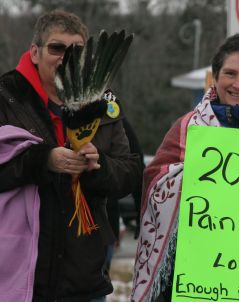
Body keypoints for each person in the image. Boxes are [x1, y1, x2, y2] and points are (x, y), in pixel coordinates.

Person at [131, 33, 239, 302]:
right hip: (197, 273)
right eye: (230, 73)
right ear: (215, 77)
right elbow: (154, 181)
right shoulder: (187, 127)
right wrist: (196, 175)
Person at [0, 9, 142, 302]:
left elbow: (129, 172)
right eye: (56, 48)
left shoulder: (101, 100)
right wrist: (44, 160)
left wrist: (98, 164)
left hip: (84, 277)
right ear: (35, 52)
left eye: (76, 50)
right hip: (20, 276)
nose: (66, 57)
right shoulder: (7, 95)